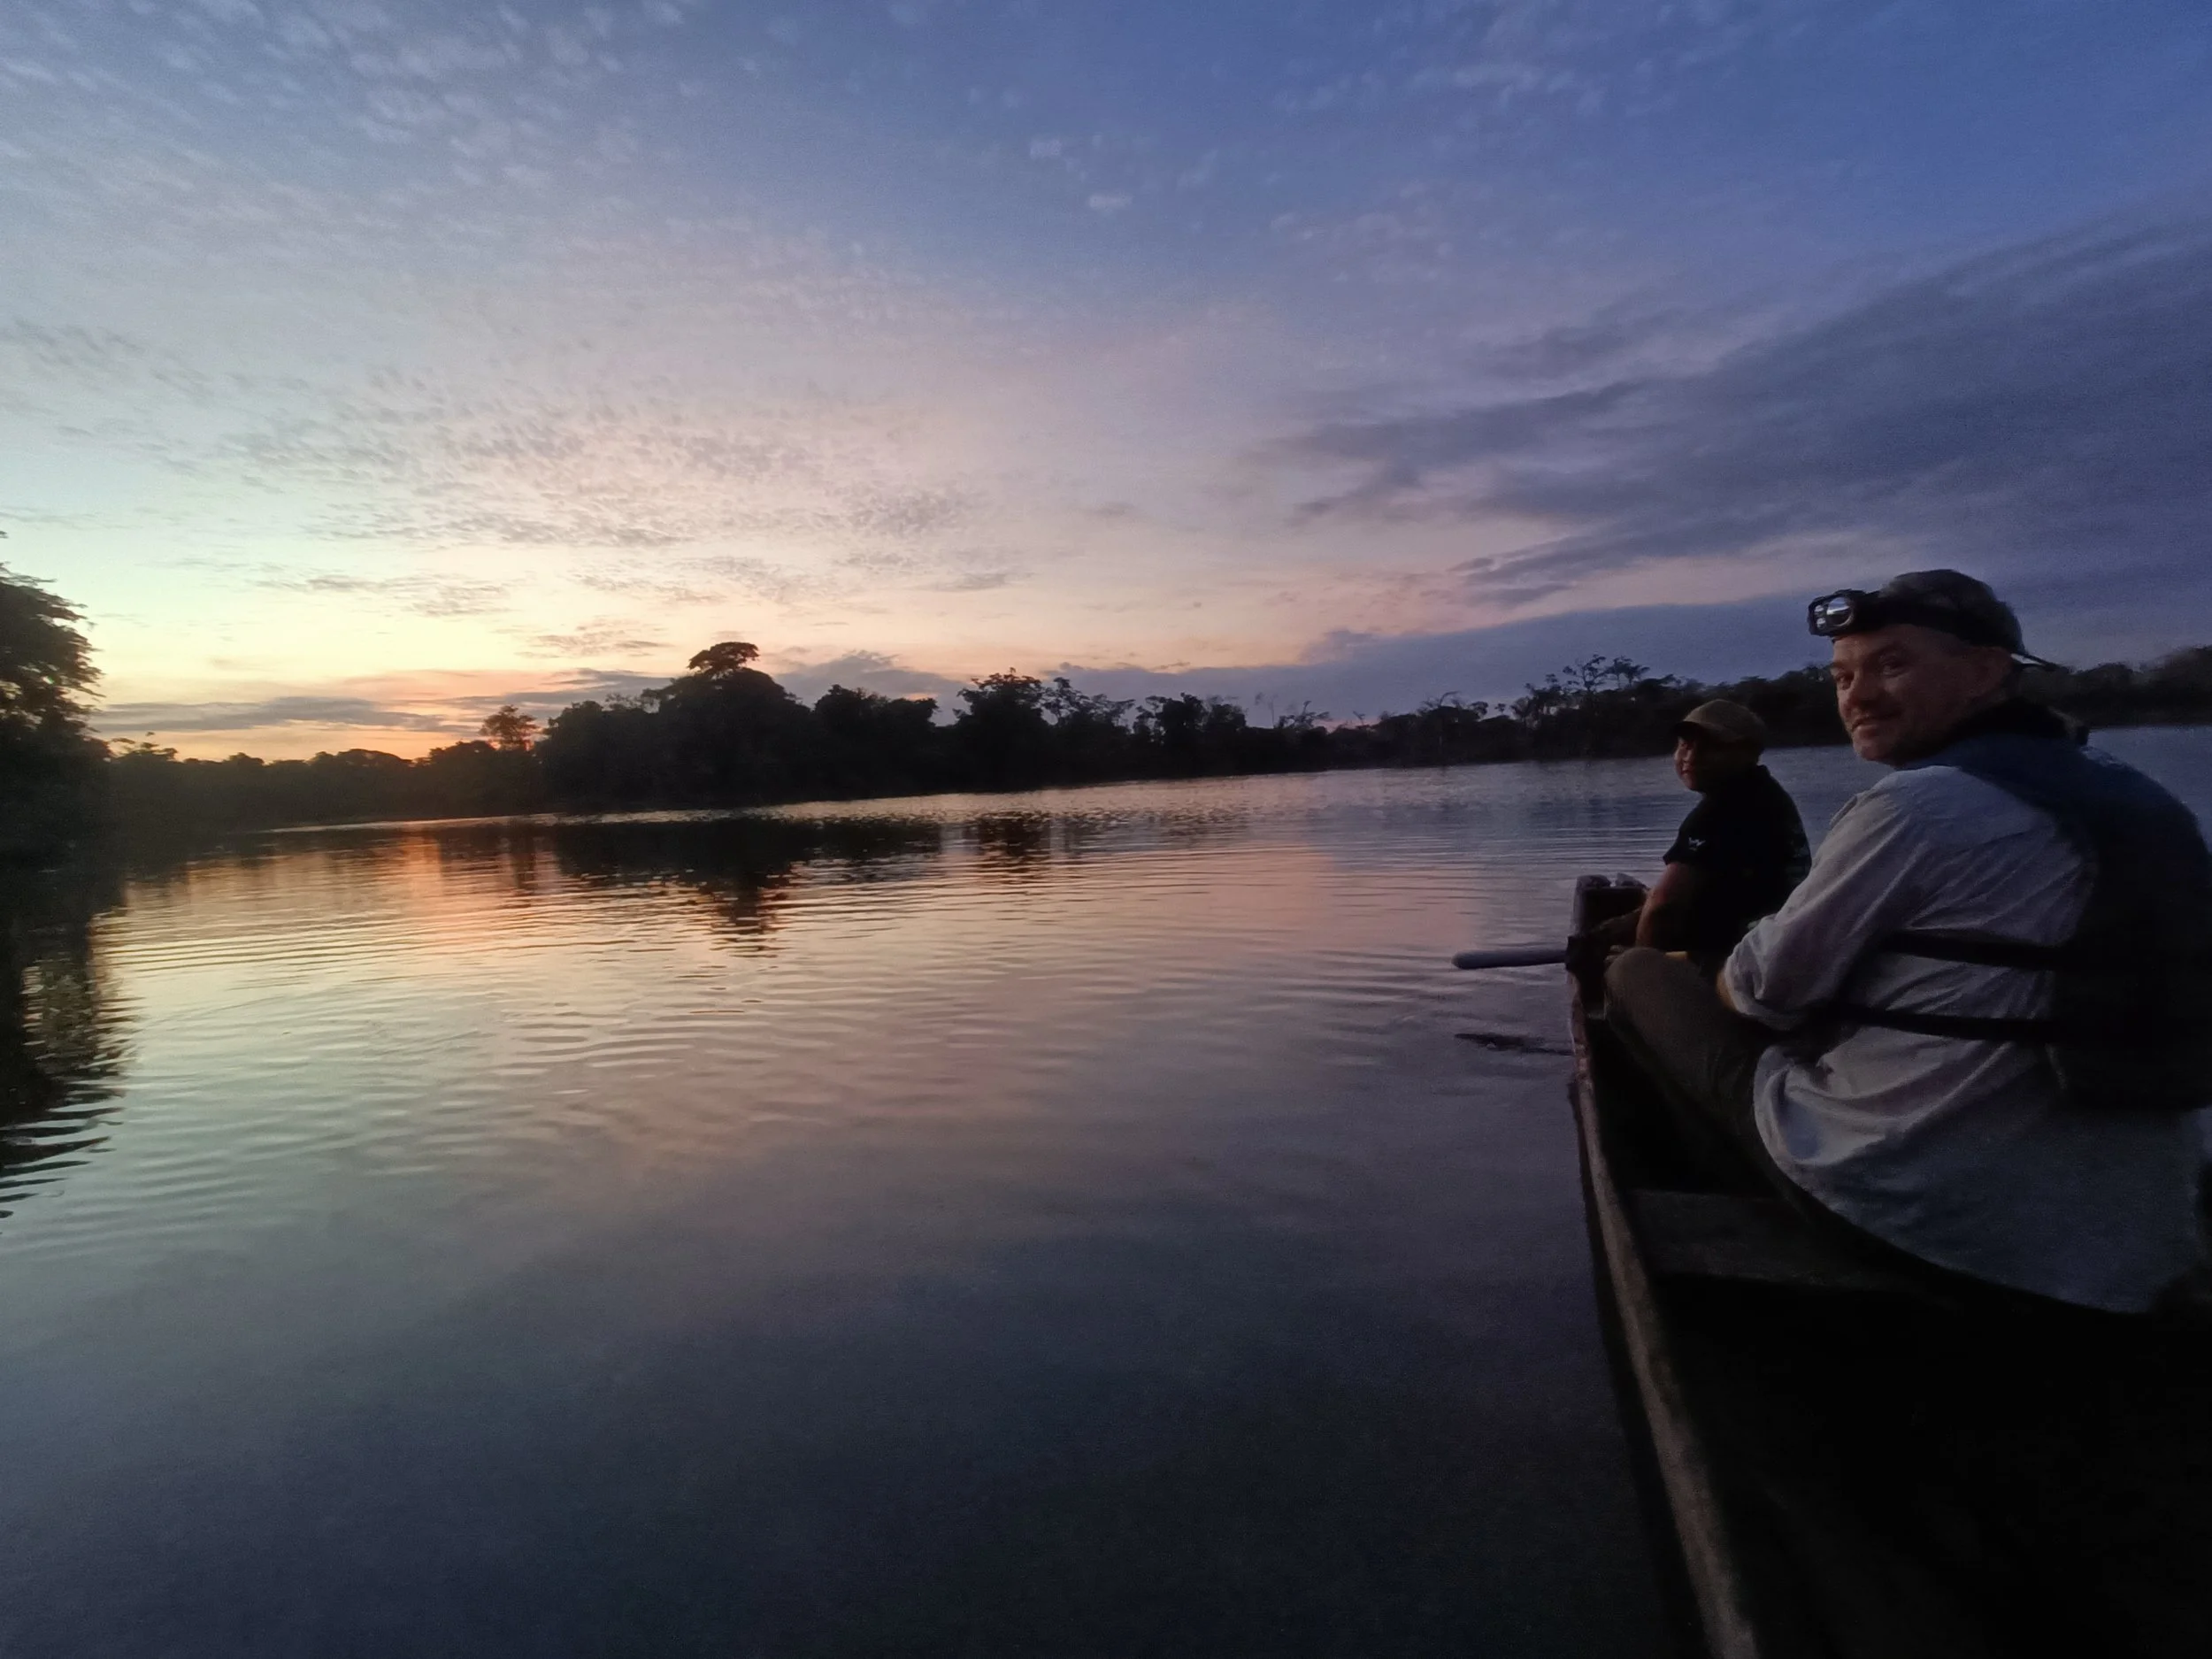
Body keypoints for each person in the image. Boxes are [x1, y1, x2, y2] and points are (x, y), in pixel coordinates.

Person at [1605, 569, 2211, 1315]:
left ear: (1987, 669)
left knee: (1636, 970)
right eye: (1843, 675)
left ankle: (1741, 1174)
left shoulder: (1919, 804)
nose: (1857, 696)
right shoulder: (2139, 796)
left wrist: (1722, 970)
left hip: (1931, 1218)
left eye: (1893, 664)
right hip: (2138, 1240)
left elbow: (1762, 992)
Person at [1583, 700, 1809, 973]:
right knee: (1617, 926)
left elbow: (1664, 907)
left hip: (1735, 959)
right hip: (1766, 945)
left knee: (1617, 963)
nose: (1691, 757)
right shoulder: (1765, 794)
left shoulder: (1722, 810)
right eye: (1685, 745)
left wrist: (1639, 964)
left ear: (1749, 752)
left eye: (1711, 746)